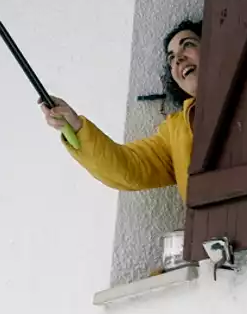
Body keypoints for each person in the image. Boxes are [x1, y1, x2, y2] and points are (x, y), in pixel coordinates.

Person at [40, 20, 201, 203]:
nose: (178, 59)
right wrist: (76, 126)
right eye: (171, 58)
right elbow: (128, 167)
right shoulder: (176, 131)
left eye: (188, 45)